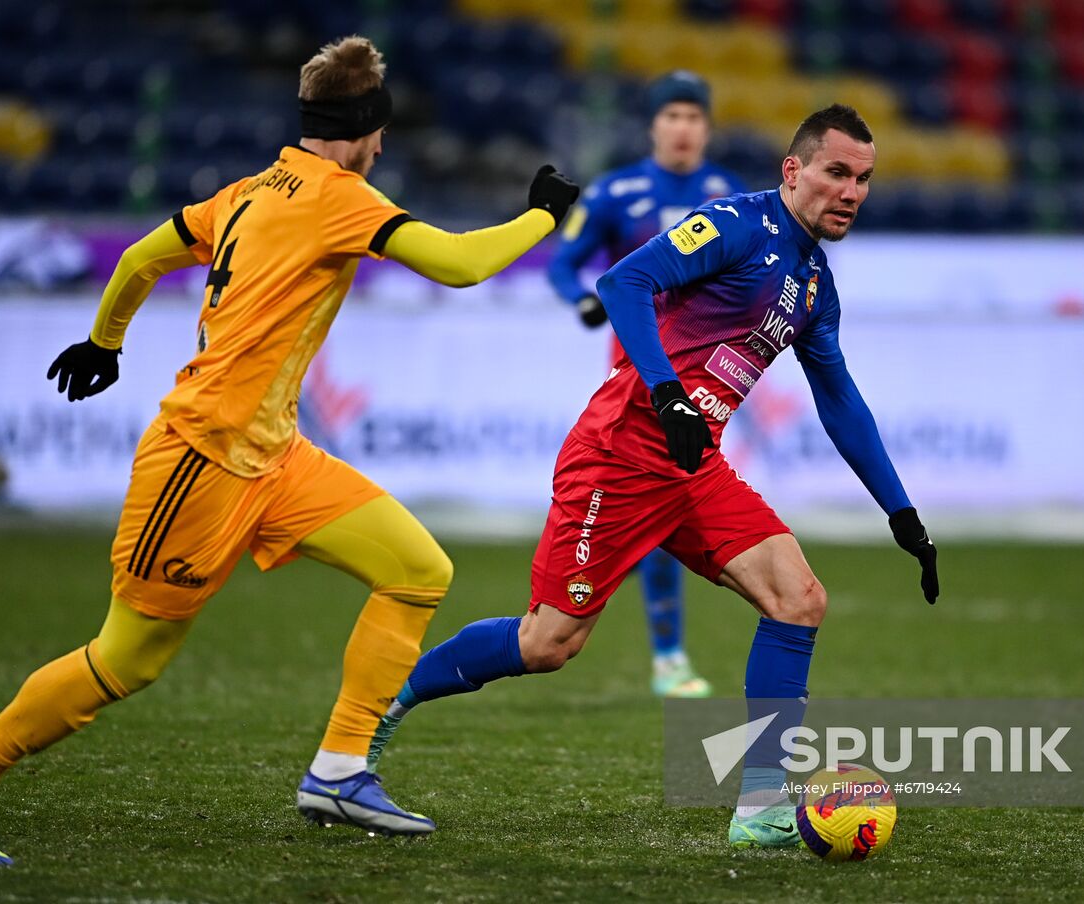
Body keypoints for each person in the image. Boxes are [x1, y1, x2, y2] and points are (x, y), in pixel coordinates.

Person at [0, 35, 579, 866]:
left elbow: (140, 256)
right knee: (127, 658)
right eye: (380, 134)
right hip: (201, 458)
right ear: (366, 128)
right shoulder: (342, 197)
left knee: (417, 569)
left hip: (275, 453)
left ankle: (339, 768)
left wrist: (106, 341)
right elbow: (457, 263)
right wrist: (541, 215)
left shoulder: (246, 189)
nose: (383, 149)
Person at [368, 104, 939, 849]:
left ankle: (762, 807)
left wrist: (901, 513)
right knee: (548, 644)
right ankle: (378, 708)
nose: (852, 192)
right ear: (793, 170)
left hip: (694, 468)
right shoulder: (736, 225)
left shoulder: (814, 287)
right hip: (621, 455)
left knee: (797, 599)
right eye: (837, 172)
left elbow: (841, 402)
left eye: (863, 179)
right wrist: (668, 392)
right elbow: (623, 283)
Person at [547, 70, 746, 698]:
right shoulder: (617, 191)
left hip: (704, 372)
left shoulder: (730, 194)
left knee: (672, 500)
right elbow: (562, 262)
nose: (683, 128)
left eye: (694, 116)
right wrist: (582, 300)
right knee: (659, 495)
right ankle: (662, 653)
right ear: (654, 125)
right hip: (638, 375)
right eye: (672, 116)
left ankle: (666, 655)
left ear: (707, 127)